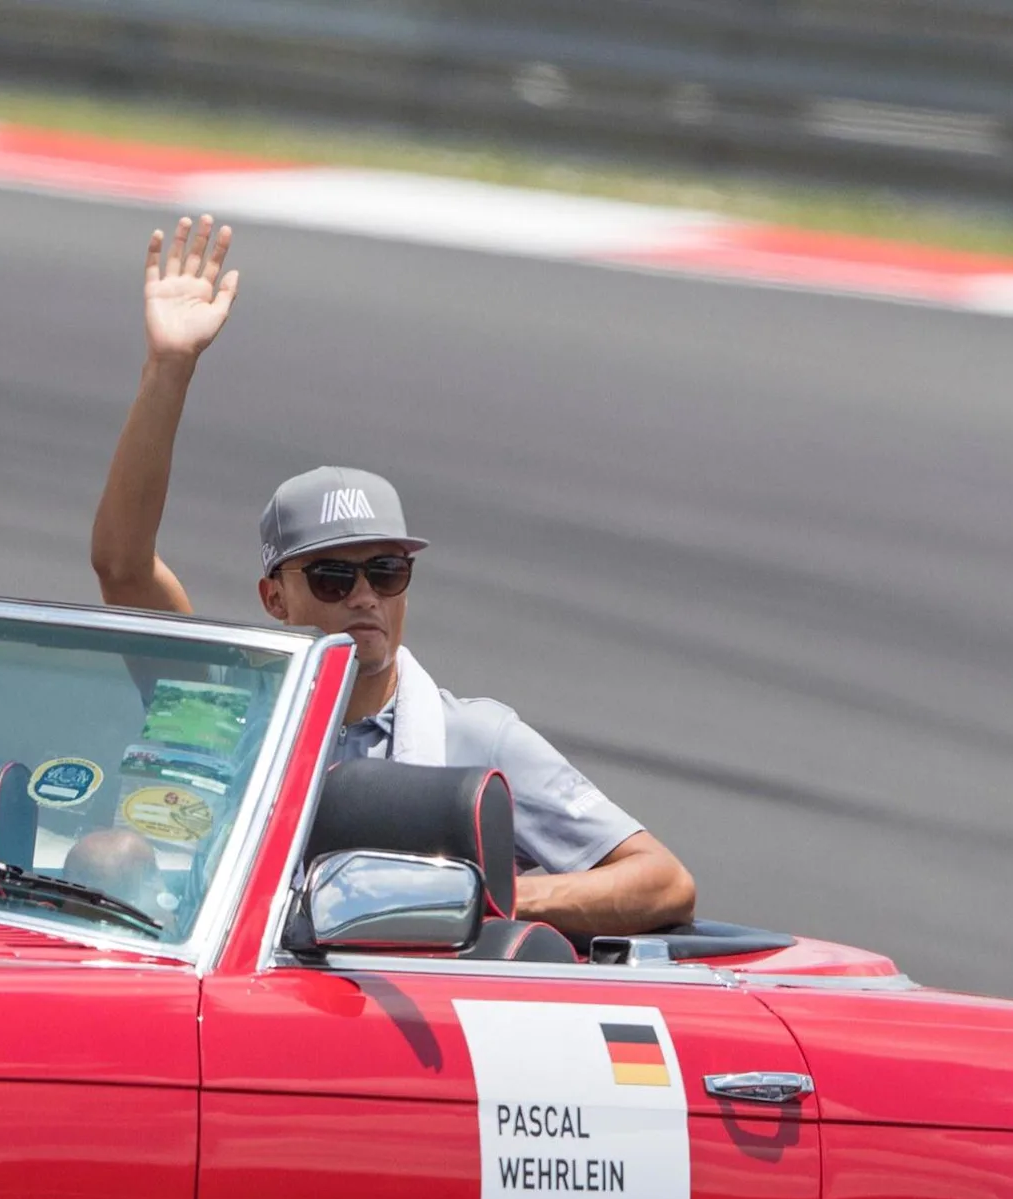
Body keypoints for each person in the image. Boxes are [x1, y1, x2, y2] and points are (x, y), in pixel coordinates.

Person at [87, 216, 697, 940]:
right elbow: (123, 567)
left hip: (393, 1022)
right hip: (235, 1004)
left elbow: (663, 879)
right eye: (335, 576)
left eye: (387, 570)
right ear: (274, 597)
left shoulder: (478, 737)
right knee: (107, 854)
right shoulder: (231, 707)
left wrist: (483, 898)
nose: (367, 596)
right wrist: (170, 368)